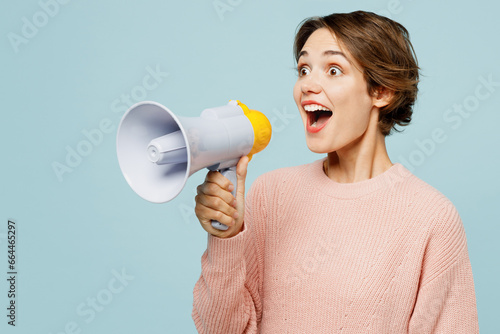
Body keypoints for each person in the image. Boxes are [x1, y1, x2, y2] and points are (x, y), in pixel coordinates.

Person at [191, 10, 479, 333]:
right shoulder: (270, 193)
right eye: (303, 69)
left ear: (381, 91)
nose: (307, 86)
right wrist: (225, 237)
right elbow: (220, 329)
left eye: (333, 70)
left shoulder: (432, 218)